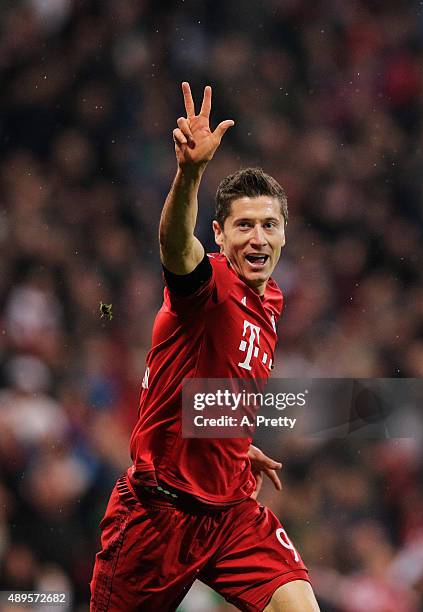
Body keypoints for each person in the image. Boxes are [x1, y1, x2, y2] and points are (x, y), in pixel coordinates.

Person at [90, 82, 320, 612]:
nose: (257, 238)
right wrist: (190, 172)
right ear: (219, 234)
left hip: (233, 510)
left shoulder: (272, 302)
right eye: (244, 226)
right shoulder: (208, 286)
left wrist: (231, 442)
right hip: (158, 515)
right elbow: (174, 243)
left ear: (285, 234)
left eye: (269, 225)